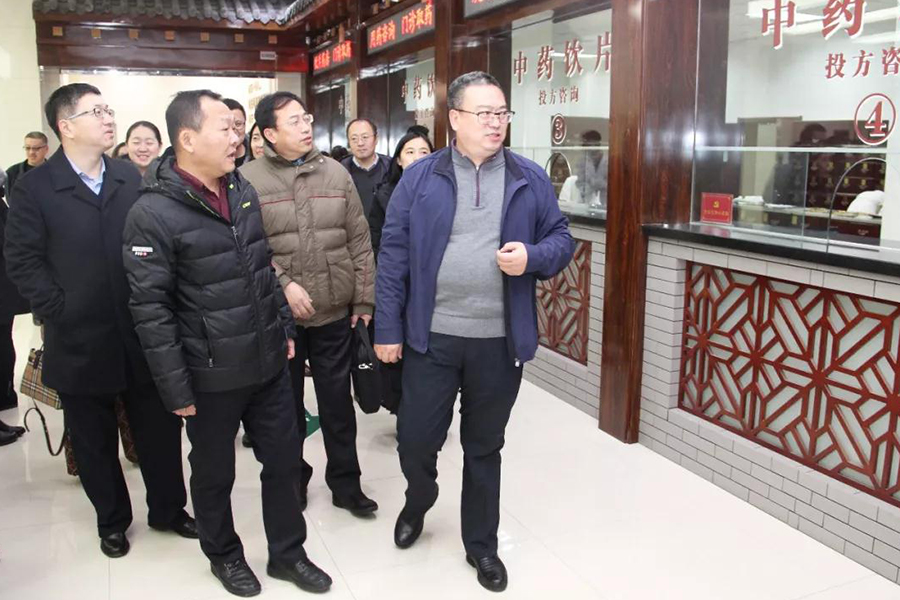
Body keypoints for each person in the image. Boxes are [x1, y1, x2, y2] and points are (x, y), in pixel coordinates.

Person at [122, 89, 331, 596]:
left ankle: (288, 553)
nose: (238, 138)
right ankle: (224, 555)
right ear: (188, 138)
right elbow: (150, 311)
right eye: (225, 128)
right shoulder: (152, 213)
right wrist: (176, 389)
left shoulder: (240, 189)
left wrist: (283, 328)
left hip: (267, 362)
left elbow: (262, 266)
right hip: (208, 373)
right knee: (214, 474)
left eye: (238, 129)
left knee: (284, 462)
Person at [374, 71, 574, 592]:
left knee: (484, 447)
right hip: (431, 337)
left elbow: (561, 239)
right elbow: (393, 255)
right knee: (416, 440)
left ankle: (481, 545)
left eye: (501, 113)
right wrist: (387, 327)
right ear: (455, 119)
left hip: (498, 341)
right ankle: (419, 500)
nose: (495, 123)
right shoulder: (421, 178)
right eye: (483, 113)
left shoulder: (528, 177)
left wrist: (532, 256)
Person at [4, 83, 194, 558]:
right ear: (66, 126)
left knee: (159, 430)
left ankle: (169, 509)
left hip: (140, 328)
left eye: (109, 109)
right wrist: (59, 307)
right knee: (93, 438)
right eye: (97, 112)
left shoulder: (129, 176)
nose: (109, 118)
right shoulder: (34, 187)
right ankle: (111, 521)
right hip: (78, 335)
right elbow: (22, 260)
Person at [240, 92, 377, 518]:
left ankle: (346, 484)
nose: (305, 127)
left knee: (338, 405)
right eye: (294, 121)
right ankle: (293, 480)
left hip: (334, 310)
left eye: (306, 119)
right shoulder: (247, 180)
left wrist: (364, 297)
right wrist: (283, 285)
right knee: (286, 409)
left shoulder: (335, 172)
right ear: (269, 134)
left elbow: (359, 239)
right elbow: (246, 248)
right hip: (281, 319)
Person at [369, 128, 433, 256]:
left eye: (424, 152)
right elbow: (376, 240)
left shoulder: (443, 192)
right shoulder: (384, 195)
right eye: (410, 152)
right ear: (398, 160)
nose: (417, 158)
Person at [341, 118, 391, 218]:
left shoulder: (391, 167)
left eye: (365, 137)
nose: (360, 143)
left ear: (376, 139)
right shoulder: (340, 170)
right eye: (354, 138)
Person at [223, 98, 250, 168]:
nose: (233, 130)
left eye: (238, 124)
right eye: (227, 125)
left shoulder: (257, 153)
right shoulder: (212, 161)